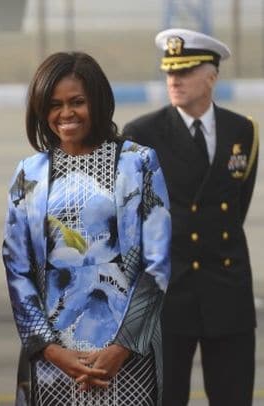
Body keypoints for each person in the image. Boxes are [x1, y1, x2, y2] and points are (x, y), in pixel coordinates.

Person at [3, 51, 171, 405]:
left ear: (97, 100)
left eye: (77, 102)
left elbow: (157, 264)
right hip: (53, 363)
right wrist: (50, 350)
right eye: (54, 105)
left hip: (128, 358)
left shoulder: (139, 163)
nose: (66, 114)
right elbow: (17, 270)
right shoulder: (28, 173)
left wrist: (121, 348)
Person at [123, 29, 259, 406]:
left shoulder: (242, 131)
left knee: (234, 397)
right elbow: (134, 217)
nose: (174, 80)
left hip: (227, 288)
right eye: (169, 72)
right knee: (165, 398)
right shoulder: (142, 134)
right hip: (169, 292)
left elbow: (234, 208)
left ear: (211, 77)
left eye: (184, 72)